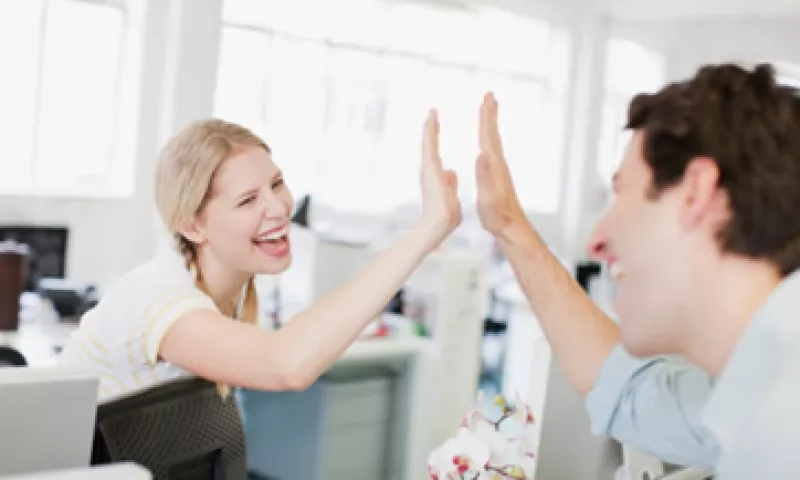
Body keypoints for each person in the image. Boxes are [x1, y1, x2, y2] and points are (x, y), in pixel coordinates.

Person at [474, 63, 800, 479]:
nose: (596, 241)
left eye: (623, 192)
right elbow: (631, 394)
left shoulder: (783, 426)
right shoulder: (758, 387)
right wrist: (508, 226)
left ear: (695, 192)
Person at [59, 111, 461, 401]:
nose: (279, 207)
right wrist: (426, 231)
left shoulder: (225, 292)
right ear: (193, 226)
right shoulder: (157, 296)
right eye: (248, 200)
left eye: (276, 183)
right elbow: (286, 364)